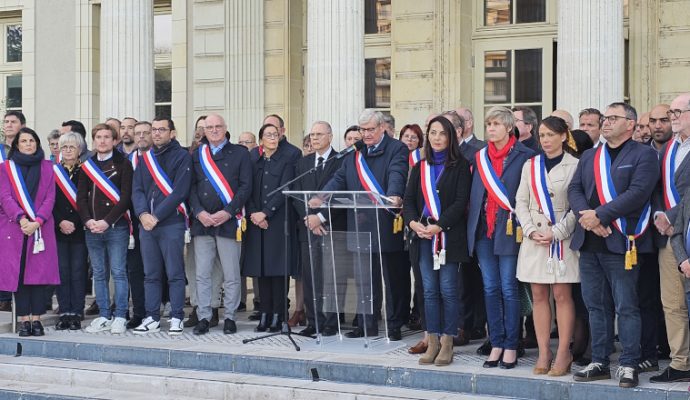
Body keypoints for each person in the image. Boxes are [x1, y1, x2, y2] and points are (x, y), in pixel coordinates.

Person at [568, 102, 659, 388]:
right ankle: (600, 361)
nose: (606, 123)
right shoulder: (590, 156)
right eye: (604, 119)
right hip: (590, 241)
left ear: (630, 124)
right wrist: (588, 217)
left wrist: (601, 215)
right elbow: (575, 189)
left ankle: (629, 363)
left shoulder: (643, 155)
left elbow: (638, 192)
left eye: (613, 118)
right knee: (595, 305)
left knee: (626, 306)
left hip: (622, 241)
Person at [321, 109, 409, 341]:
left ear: (382, 128)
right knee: (364, 280)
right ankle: (366, 325)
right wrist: (322, 195)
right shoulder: (355, 153)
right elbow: (339, 178)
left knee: (390, 280)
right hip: (359, 224)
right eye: (362, 130)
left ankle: (393, 324)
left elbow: (397, 173)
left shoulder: (396, 148)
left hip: (385, 222)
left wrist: (394, 194)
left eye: (370, 129)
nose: (366, 134)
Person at [467, 106, 535, 369]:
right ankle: (495, 342)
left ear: (509, 128)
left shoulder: (526, 156)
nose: (491, 129)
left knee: (509, 288)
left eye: (496, 124)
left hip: (510, 229)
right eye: (488, 124)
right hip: (484, 230)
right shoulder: (479, 156)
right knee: (490, 288)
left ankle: (511, 344)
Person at [515, 116, 580, 376]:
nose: (545, 140)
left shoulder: (576, 165)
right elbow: (520, 200)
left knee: (562, 295)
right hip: (535, 240)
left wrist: (558, 231)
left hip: (562, 239)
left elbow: (579, 204)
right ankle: (544, 351)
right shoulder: (530, 165)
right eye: (542, 135)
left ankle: (564, 351)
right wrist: (530, 230)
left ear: (564, 136)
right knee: (539, 296)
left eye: (551, 135)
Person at [403, 115, 471, 366]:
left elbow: (460, 202)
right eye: (433, 133)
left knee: (448, 291)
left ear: (450, 136)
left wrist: (439, 226)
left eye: (442, 133)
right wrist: (413, 223)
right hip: (422, 239)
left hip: (449, 237)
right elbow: (409, 200)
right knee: (429, 291)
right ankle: (431, 341)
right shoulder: (421, 166)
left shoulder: (461, 165)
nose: (437, 138)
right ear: (427, 136)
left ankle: (447, 343)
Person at [189, 114, 252, 335]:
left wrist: (228, 212)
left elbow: (245, 187)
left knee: (231, 273)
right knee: (202, 273)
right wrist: (199, 212)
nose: (214, 130)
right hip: (203, 222)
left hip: (229, 221)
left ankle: (231, 317)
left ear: (226, 129)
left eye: (218, 126)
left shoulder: (240, 153)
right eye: (210, 127)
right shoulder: (197, 154)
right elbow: (191, 188)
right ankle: (205, 316)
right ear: (204, 131)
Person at [132, 117, 192, 335]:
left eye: (161, 130)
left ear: (172, 133)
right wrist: (142, 214)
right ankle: (152, 317)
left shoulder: (182, 156)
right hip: (147, 225)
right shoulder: (145, 158)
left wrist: (156, 216)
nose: (156, 134)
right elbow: (137, 189)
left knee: (174, 273)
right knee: (151, 274)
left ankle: (177, 316)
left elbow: (180, 192)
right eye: (154, 130)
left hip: (171, 223)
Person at [0, 127, 59, 336]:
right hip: (15, 228)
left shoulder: (47, 167)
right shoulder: (6, 168)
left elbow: (50, 198)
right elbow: (5, 197)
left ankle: (37, 320)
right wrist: (22, 219)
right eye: (24, 141)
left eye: (32, 141)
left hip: (40, 229)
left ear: (37, 144)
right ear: (16, 144)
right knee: (20, 276)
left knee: (38, 276)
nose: (28, 144)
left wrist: (38, 221)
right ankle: (24, 320)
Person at [292, 121, 346, 337]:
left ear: (330, 137)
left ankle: (332, 322)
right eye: (312, 134)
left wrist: (321, 218)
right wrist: (309, 219)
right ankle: (314, 321)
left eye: (319, 134)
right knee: (311, 277)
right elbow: (296, 195)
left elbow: (343, 195)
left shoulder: (342, 160)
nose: (314, 138)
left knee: (332, 277)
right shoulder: (303, 163)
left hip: (332, 227)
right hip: (308, 228)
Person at [78, 124, 133, 335]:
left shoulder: (124, 164)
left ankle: (120, 315)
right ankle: (103, 315)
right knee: (99, 273)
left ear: (114, 141)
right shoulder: (87, 165)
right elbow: (80, 197)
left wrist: (107, 221)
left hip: (115, 226)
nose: (102, 141)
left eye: (106, 137)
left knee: (118, 272)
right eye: (98, 137)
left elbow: (125, 198)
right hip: (91, 228)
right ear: (94, 140)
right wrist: (88, 220)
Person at [650, 93, 690, 383]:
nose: (672, 116)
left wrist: (670, 217)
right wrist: (658, 217)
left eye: (678, 111)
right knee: (672, 302)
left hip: (686, 233)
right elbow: (656, 188)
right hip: (669, 238)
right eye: (671, 111)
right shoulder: (668, 149)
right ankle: (681, 362)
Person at [244, 123, 295, 332]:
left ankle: (278, 314)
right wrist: (255, 213)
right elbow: (247, 189)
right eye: (268, 135)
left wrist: (266, 212)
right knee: (261, 271)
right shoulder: (253, 161)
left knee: (277, 271)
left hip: (276, 221)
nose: (272, 138)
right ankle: (264, 312)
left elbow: (285, 189)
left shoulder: (286, 161)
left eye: (275, 134)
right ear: (261, 140)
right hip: (256, 223)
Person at [53, 132, 88, 331]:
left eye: (71, 147)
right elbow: (49, 200)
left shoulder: (86, 171)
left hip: (79, 228)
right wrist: (60, 221)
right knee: (62, 271)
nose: (67, 150)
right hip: (58, 229)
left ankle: (77, 310)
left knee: (78, 271)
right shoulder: (53, 172)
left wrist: (73, 221)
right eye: (64, 147)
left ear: (79, 150)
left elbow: (85, 200)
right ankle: (64, 310)